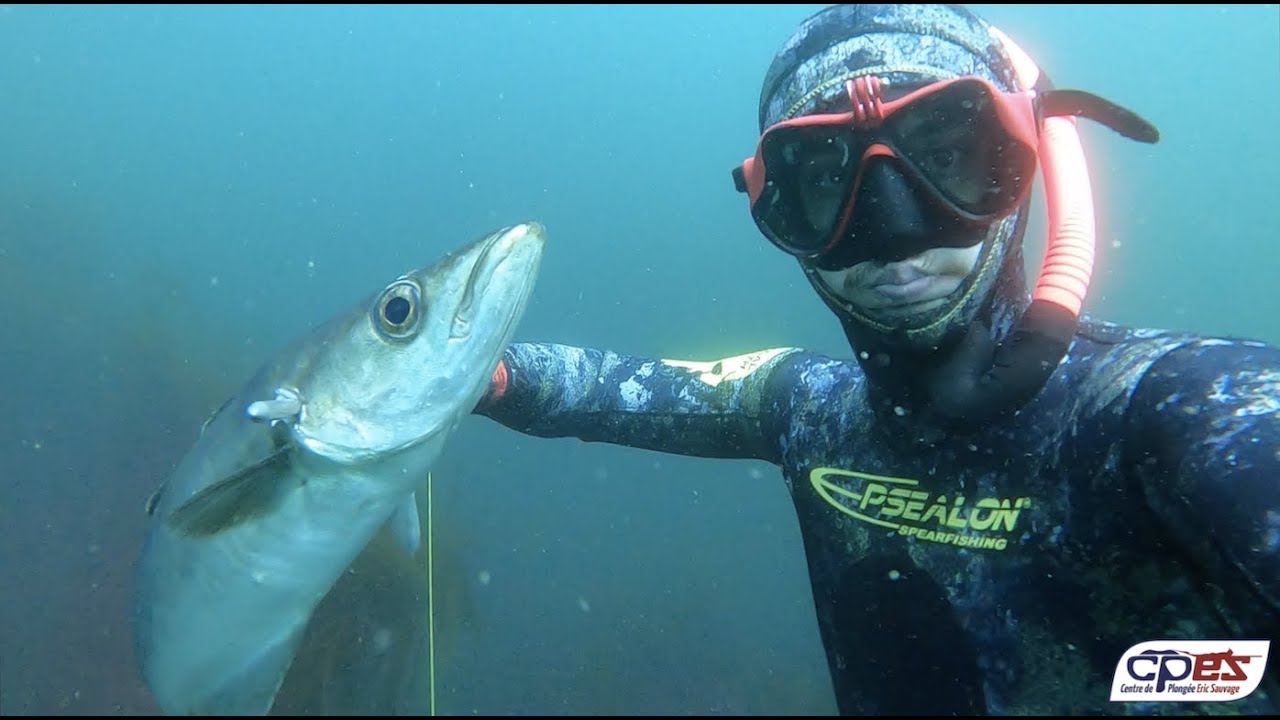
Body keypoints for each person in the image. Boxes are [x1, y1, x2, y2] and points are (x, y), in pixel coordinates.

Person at [473, 4, 1280, 715]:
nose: (894, 230)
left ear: (1021, 158)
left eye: (947, 156)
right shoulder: (813, 415)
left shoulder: (1175, 410)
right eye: (830, 181)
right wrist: (466, 370)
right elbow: (603, 388)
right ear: (774, 203)